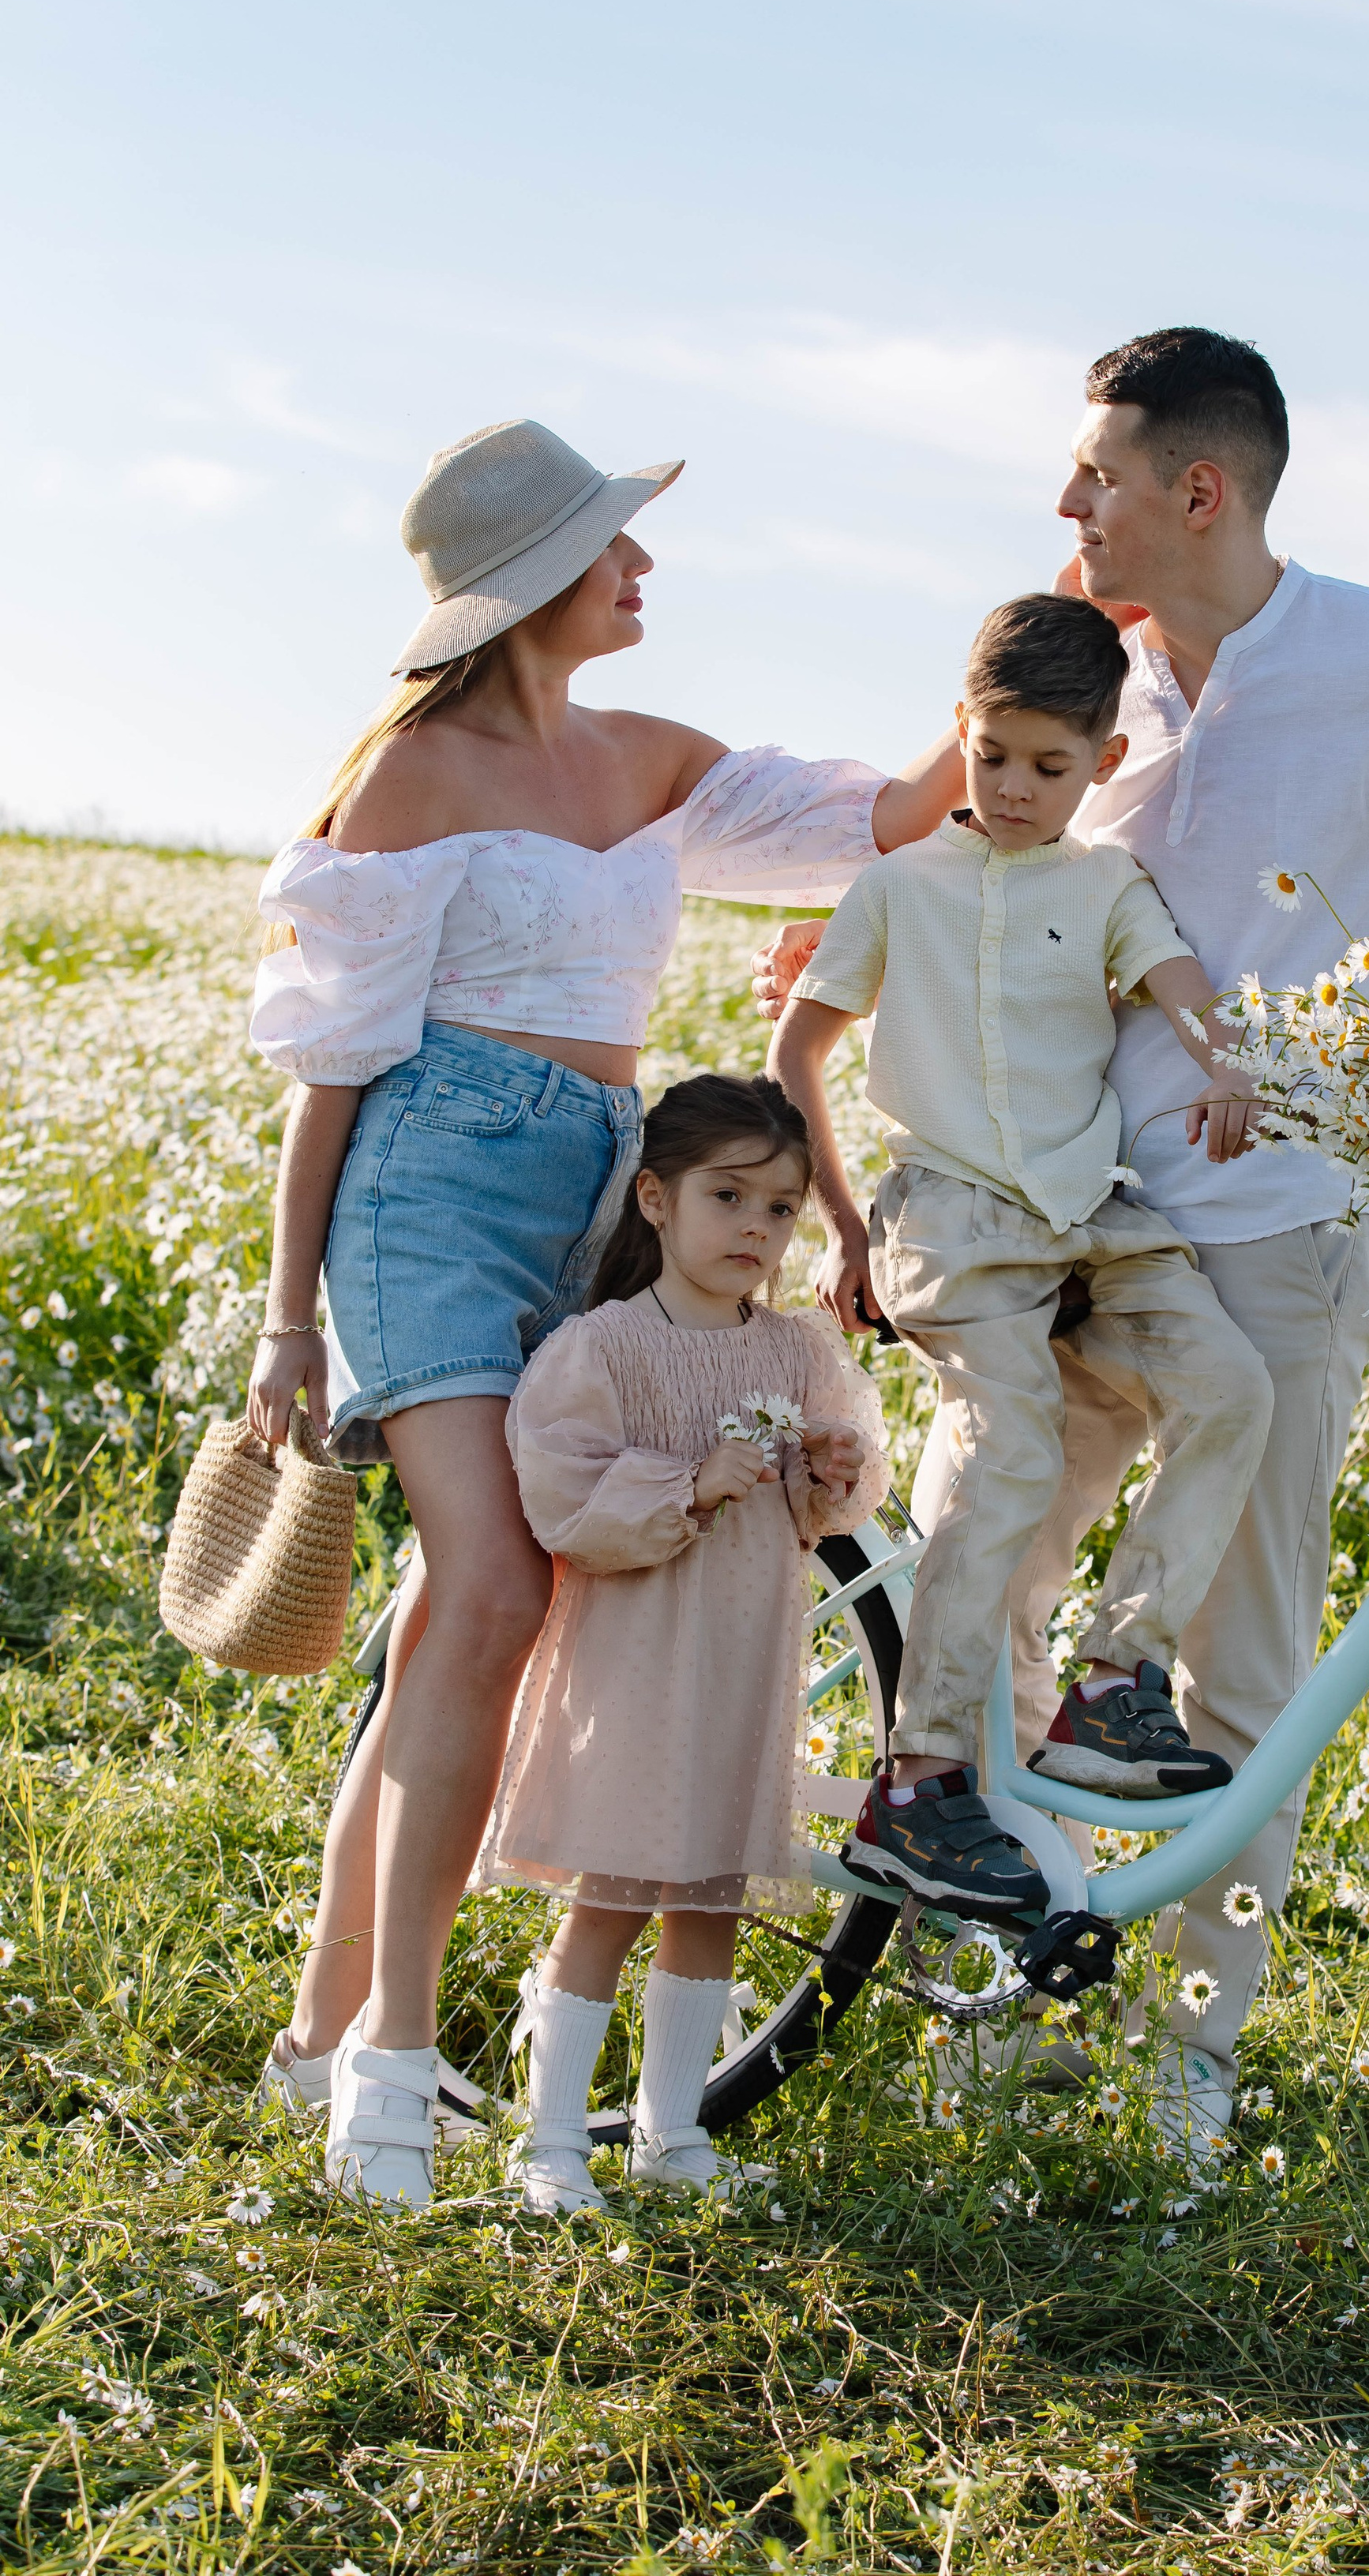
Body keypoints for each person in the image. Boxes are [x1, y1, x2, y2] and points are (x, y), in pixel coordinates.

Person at [753, 328, 1369, 2172]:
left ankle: (1187, 2060)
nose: (1064, 501)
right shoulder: (1082, 673)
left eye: (1096, 474)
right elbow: (972, 858)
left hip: (1275, 1242)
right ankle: (1009, 2004)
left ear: (1197, 490)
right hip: (1042, 1236)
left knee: (1241, 1676)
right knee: (982, 1593)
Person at [244, 414, 958, 2210]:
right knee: (494, 1587)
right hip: (428, 1192)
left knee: (463, 1609)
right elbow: (332, 1076)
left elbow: (890, 816)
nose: (642, 566)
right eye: (612, 543)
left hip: (595, 1192)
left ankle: (326, 2032)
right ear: (533, 580)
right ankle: (389, 2072)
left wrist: (1050, 636)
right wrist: (286, 1320)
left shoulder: (647, 756)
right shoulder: (411, 777)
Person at [767, 591, 1275, 1918]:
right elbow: (798, 1051)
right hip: (951, 1221)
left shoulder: (1108, 885)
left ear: (1106, 761)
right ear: (963, 732)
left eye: (1051, 767)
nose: (1011, 788)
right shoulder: (897, 887)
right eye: (991, 756)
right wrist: (843, 1225)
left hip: (1095, 1212)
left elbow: (1182, 990)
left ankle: (1118, 1678)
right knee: (1015, 1453)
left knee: (1233, 1390)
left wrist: (1229, 1070)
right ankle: (919, 1780)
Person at [469, 1071, 888, 2215]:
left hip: (745, 1663)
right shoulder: (602, 1348)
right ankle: (551, 2140)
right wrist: (689, 1484)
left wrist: (827, 1472)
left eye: (781, 1209)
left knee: (711, 1896)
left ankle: (673, 2135)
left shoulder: (793, 1353)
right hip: (638, 1667)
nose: (756, 1228)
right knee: (612, 1893)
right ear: (655, 1200)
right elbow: (564, 1501)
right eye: (728, 1197)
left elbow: (819, 1513)